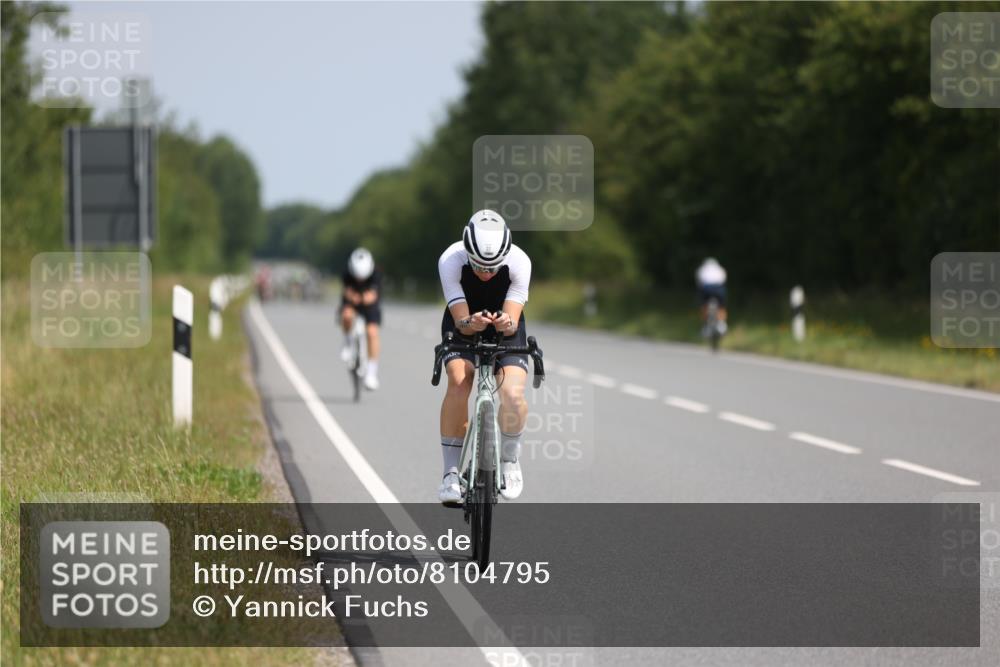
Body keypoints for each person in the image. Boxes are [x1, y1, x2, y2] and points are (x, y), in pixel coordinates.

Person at [437, 210, 531, 505]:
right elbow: (461, 319)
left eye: (493, 268)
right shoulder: (450, 260)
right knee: (459, 379)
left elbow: (513, 321)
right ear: (467, 253)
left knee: (513, 394)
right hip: (463, 322)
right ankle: (451, 473)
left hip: (505, 327)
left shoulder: (520, 261)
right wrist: (470, 323)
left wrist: (506, 324)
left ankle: (509, 461)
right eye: (479, 265)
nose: (486, 273)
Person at [340, 247, 382, 390]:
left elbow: (373, 295)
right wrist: (352, 298)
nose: (359, 279)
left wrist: (364, 298)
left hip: (369, 305)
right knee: (346, 316)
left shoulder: (375, 274)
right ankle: (347, 343)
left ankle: (371, 373)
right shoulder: (347, 273)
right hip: (352, 302)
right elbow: (346, 292)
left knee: (372, 333)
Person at [696, 257, 728, 335]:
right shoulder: (720, 269)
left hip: (706, 290)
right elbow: (723, 280)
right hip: (719, 290)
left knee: (704, 306)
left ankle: (706, 325)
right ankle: (722, 323)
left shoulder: (702, 269)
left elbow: (699, 282)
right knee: (721, 307)